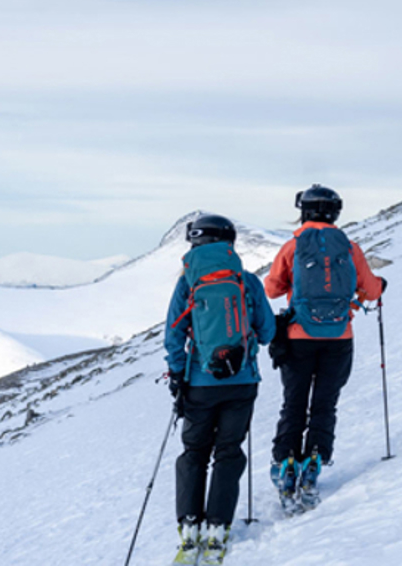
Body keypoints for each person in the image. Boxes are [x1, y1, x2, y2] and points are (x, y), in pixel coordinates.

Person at [262, 185, 384, 514]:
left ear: (303, 210)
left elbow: (271, 290)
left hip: (299, 336)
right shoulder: (349, 247)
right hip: (339, 337)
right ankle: (314, 461)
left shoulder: (293, 246)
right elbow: (371, 291)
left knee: (294, 403)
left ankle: (286, 462)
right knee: (325, 403)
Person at [162, 213, 276, 565]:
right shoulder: (247, 281)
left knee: (193, 452)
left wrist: (179, 375)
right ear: (229, 243)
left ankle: (190, 527)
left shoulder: (188, 283)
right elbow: (268, 331)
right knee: (228, 452)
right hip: (242, 382)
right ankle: (218, 529)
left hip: (200, 384)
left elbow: (173, 334)